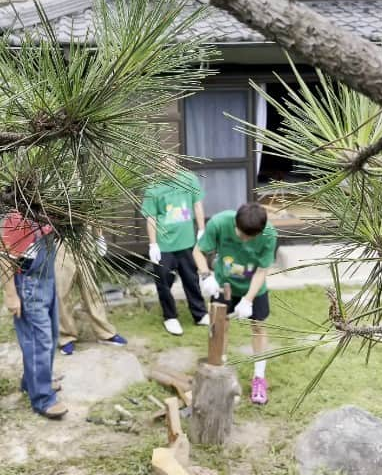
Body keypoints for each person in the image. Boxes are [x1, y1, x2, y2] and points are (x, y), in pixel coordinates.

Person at [193, 202, 277, 405]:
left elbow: (261, 271)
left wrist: (248, 299)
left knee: (258, 327)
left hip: (254, 287)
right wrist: (206, 276)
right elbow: (198, 251)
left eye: (250, 237)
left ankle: (259, 377)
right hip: (223, 284)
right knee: (220, 326)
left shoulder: (269, 235)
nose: (245, 240)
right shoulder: (219, 223)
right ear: (235, 223)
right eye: (241, 234)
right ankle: (221, 373)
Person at [2, 216, 68, 419]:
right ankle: (42, 398)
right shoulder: (15, 217)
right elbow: (3, 257)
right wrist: (11, 294)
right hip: (29, 285)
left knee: (51, 336)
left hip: (47, 281)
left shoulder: (43, 210)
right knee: (39, 341)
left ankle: (33, 381)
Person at [141, 157, 209, 335]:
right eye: (163, 167)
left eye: (171, 166)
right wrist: (153, 244)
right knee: (163, 282)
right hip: (164, 246)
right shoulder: (153, 188)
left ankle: (200, 314)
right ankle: (170, 317)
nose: (169, 170)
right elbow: (151, 218)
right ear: (157, 169)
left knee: (191, 279)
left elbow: (197, 204)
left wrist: (202, 230)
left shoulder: (189, 179)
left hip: (187, 242)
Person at [56, 234, 127, 355]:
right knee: (61, 293)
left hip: (84, 238)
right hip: (59, 241)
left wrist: (99, 237)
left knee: (92, 289)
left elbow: (94, 216)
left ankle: (104, 332)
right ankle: (66, 336)